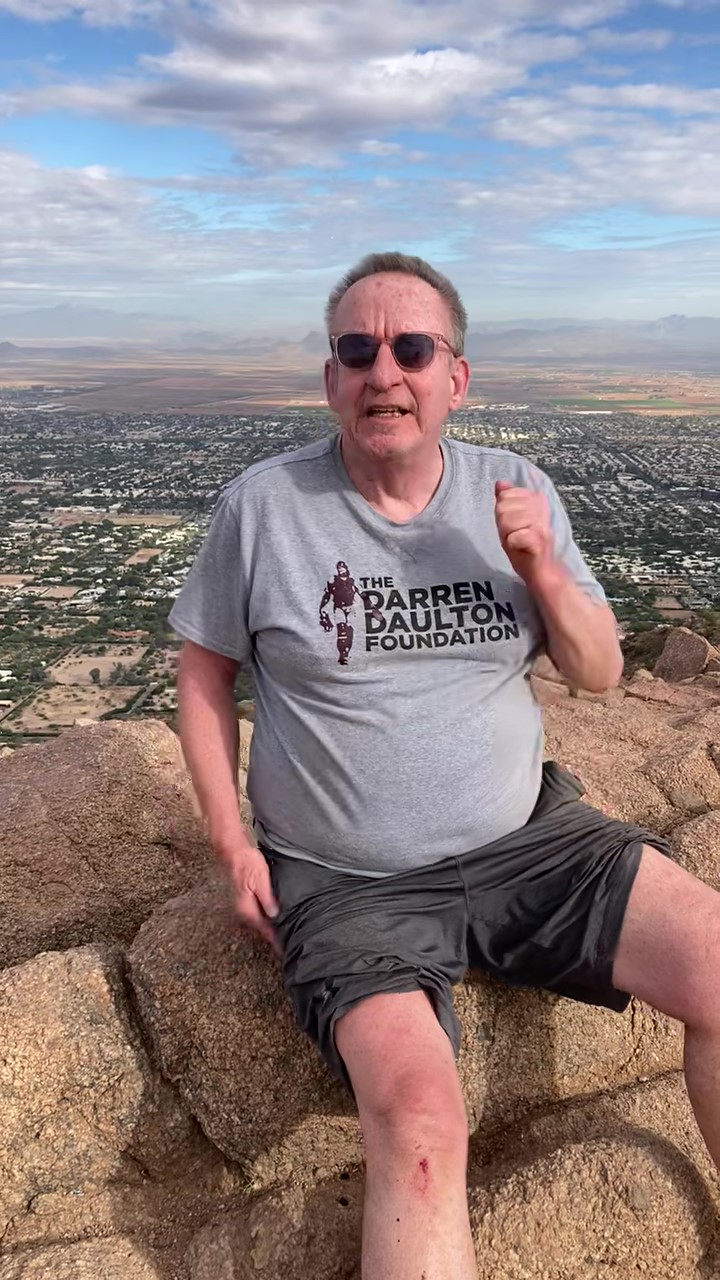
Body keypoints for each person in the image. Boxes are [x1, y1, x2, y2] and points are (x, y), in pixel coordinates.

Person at [170, 252, 720, 1280]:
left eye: (412, 347)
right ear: (331, 379)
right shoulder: (266, 506)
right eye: (357, 349)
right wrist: (229, 840)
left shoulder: (516, 490)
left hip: (533, 842)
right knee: (421, 1130)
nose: (386, 371)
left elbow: (599, 671)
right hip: (348, 882)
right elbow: (203, 672)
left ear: (454, 376)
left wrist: (542, 568)